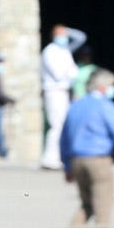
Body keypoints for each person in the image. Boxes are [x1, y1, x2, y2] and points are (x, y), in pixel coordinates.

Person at [59, 68, 114, 228]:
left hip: (77, 160)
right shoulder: (106, 106)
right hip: (99, 160)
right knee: (103, 207)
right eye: (111, 85)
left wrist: (67, 165)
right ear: (102, 87)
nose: (112, 89)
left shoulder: (76, 105)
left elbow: (64, 138)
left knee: (87, 204)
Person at [40, 24, 87, 170]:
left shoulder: (64, 50)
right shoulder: (50, 51)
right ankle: (50, 158)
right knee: (56, 125)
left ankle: (57, 157)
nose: (65, 37)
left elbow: (81, 37)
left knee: (63, 125)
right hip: (54, 91)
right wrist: (72, 72)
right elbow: (59, 74)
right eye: (61, 34)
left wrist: (68, 30)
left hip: (64, 91)